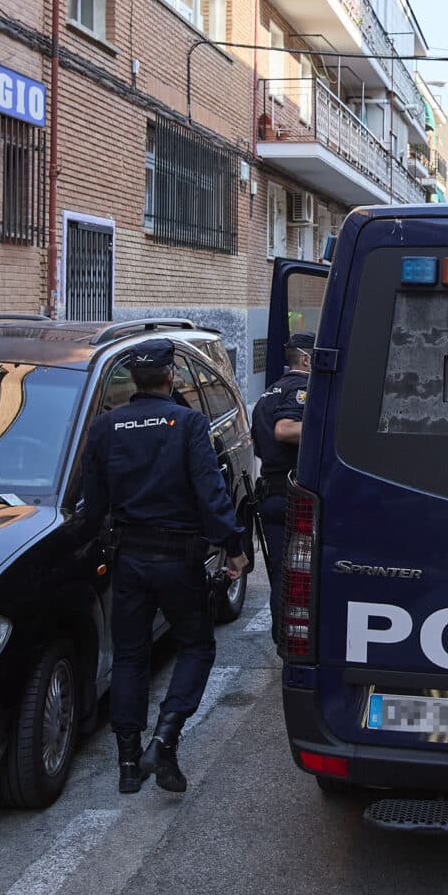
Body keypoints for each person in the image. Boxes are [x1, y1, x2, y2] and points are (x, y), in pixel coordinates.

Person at [82, 339, 248, 796]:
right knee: (196, 645)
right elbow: (212, 495)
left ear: (133, 379)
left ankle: (128, 765)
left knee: (131, 656)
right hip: (179, 560)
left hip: (129, 560)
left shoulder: (105, 427)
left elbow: (94, 503)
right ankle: (166, 738)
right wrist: (234, 548)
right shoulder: (187, 422)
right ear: (171, 375)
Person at [248, 332, 312, 602]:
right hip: (294, 495)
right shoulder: (302, 389)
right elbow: (284, 430)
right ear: (307, 360)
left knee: (280, 576)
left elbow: (260, 446)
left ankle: (280, 639)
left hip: (271, 494)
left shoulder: (267, 394)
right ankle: (295, 641)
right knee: (302, 577)